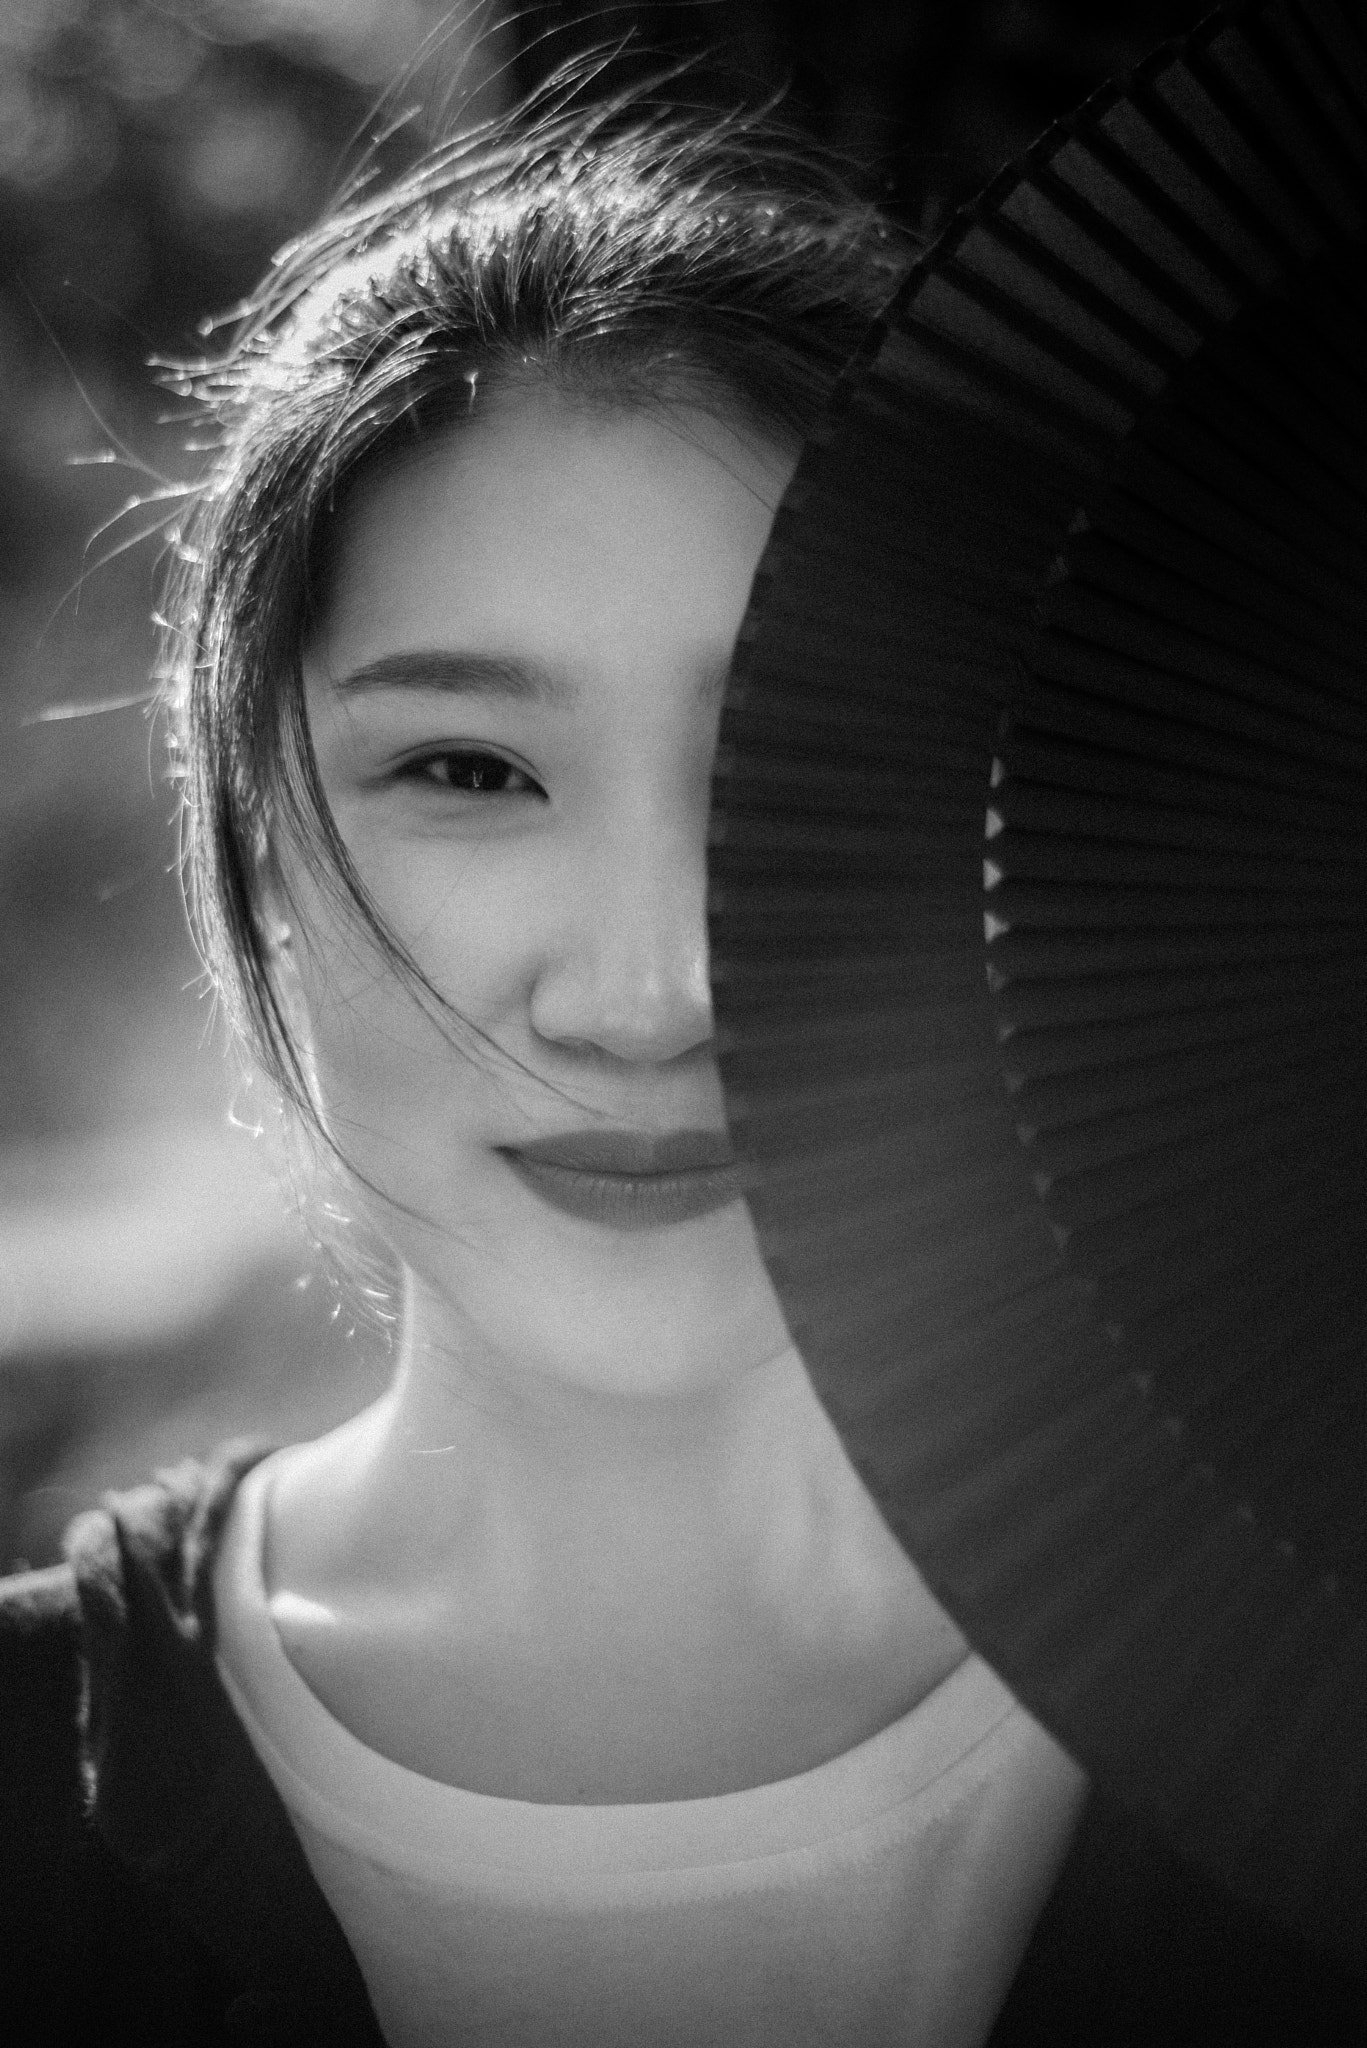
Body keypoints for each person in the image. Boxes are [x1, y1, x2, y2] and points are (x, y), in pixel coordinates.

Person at [1, 77, 1361, 2048]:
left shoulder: (1313, 1716)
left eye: (801, 762)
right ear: (257, 836)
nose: (650, 991)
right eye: (470, 770)